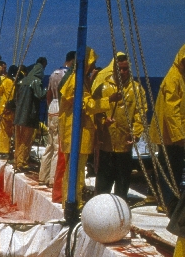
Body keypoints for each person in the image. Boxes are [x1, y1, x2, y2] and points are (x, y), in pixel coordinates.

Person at [59, 47, 110, 209]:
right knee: (76, 169)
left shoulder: (81, 80)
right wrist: (109, 101)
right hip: (76, 131)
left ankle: (73, 199)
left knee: (77, 168)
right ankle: (72, 201)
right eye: (92, 64)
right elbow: (86, 105)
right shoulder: (76, 81)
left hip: (79, 131)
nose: (93, 67)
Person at [93, 52, 147, 201]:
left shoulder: (136, 90)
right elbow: (94, 110)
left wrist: (136, 134)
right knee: (103, 184)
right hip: (106, 145)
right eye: (120, 69)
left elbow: (140, 113)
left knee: (122, 185)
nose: (123, 72)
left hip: (125, 145)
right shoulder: (103, 87)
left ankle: (120, 211)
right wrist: (103, 121)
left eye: (126, 69)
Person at [149, 44, 185, 215]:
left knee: (174, 168)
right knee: (169, 168)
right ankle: (167, 202)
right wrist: (179, 136)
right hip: (169, 135)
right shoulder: (173, 79)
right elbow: (172, 111)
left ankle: (169, 200)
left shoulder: (181, 77)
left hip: (174, 134)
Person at [41, 51, 75, 187]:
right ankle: (53, 179)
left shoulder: (54, 73)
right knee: (58, 146)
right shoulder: (68, 75)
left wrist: (50, 108)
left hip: (52, 106)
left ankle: (43, 175)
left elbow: (48, 94)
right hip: (61, 106)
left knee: (49, 144)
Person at [13, 57, 47, 172]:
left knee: (18, 139)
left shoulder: (23, 80)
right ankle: (22, 163)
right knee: (26, 140)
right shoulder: (36, 81)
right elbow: (40, 95)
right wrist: (49, 89)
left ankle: (16, 161)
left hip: (18, 114)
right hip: (29, 115)